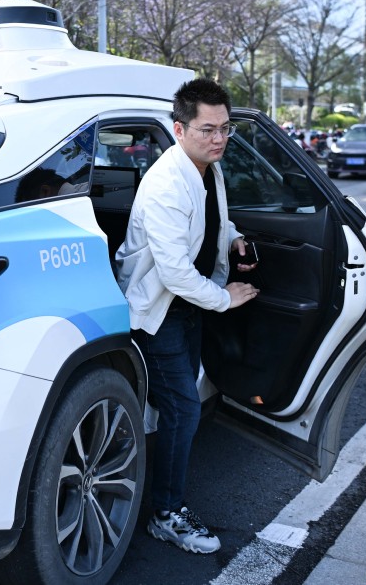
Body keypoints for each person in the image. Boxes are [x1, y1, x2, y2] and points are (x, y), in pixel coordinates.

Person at [114, 77, 259, 555]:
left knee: (176, 406)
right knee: (182, 408)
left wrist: (234, 238)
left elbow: (211, 219)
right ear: (179, 129)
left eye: (225, 128)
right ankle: (166, 513)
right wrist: (225, 298)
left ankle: (152, 489)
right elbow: (175, 272)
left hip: (189, 305)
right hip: (160, 312)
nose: (219, 139)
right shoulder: (165, 185)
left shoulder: (206, 169)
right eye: (207, 130)